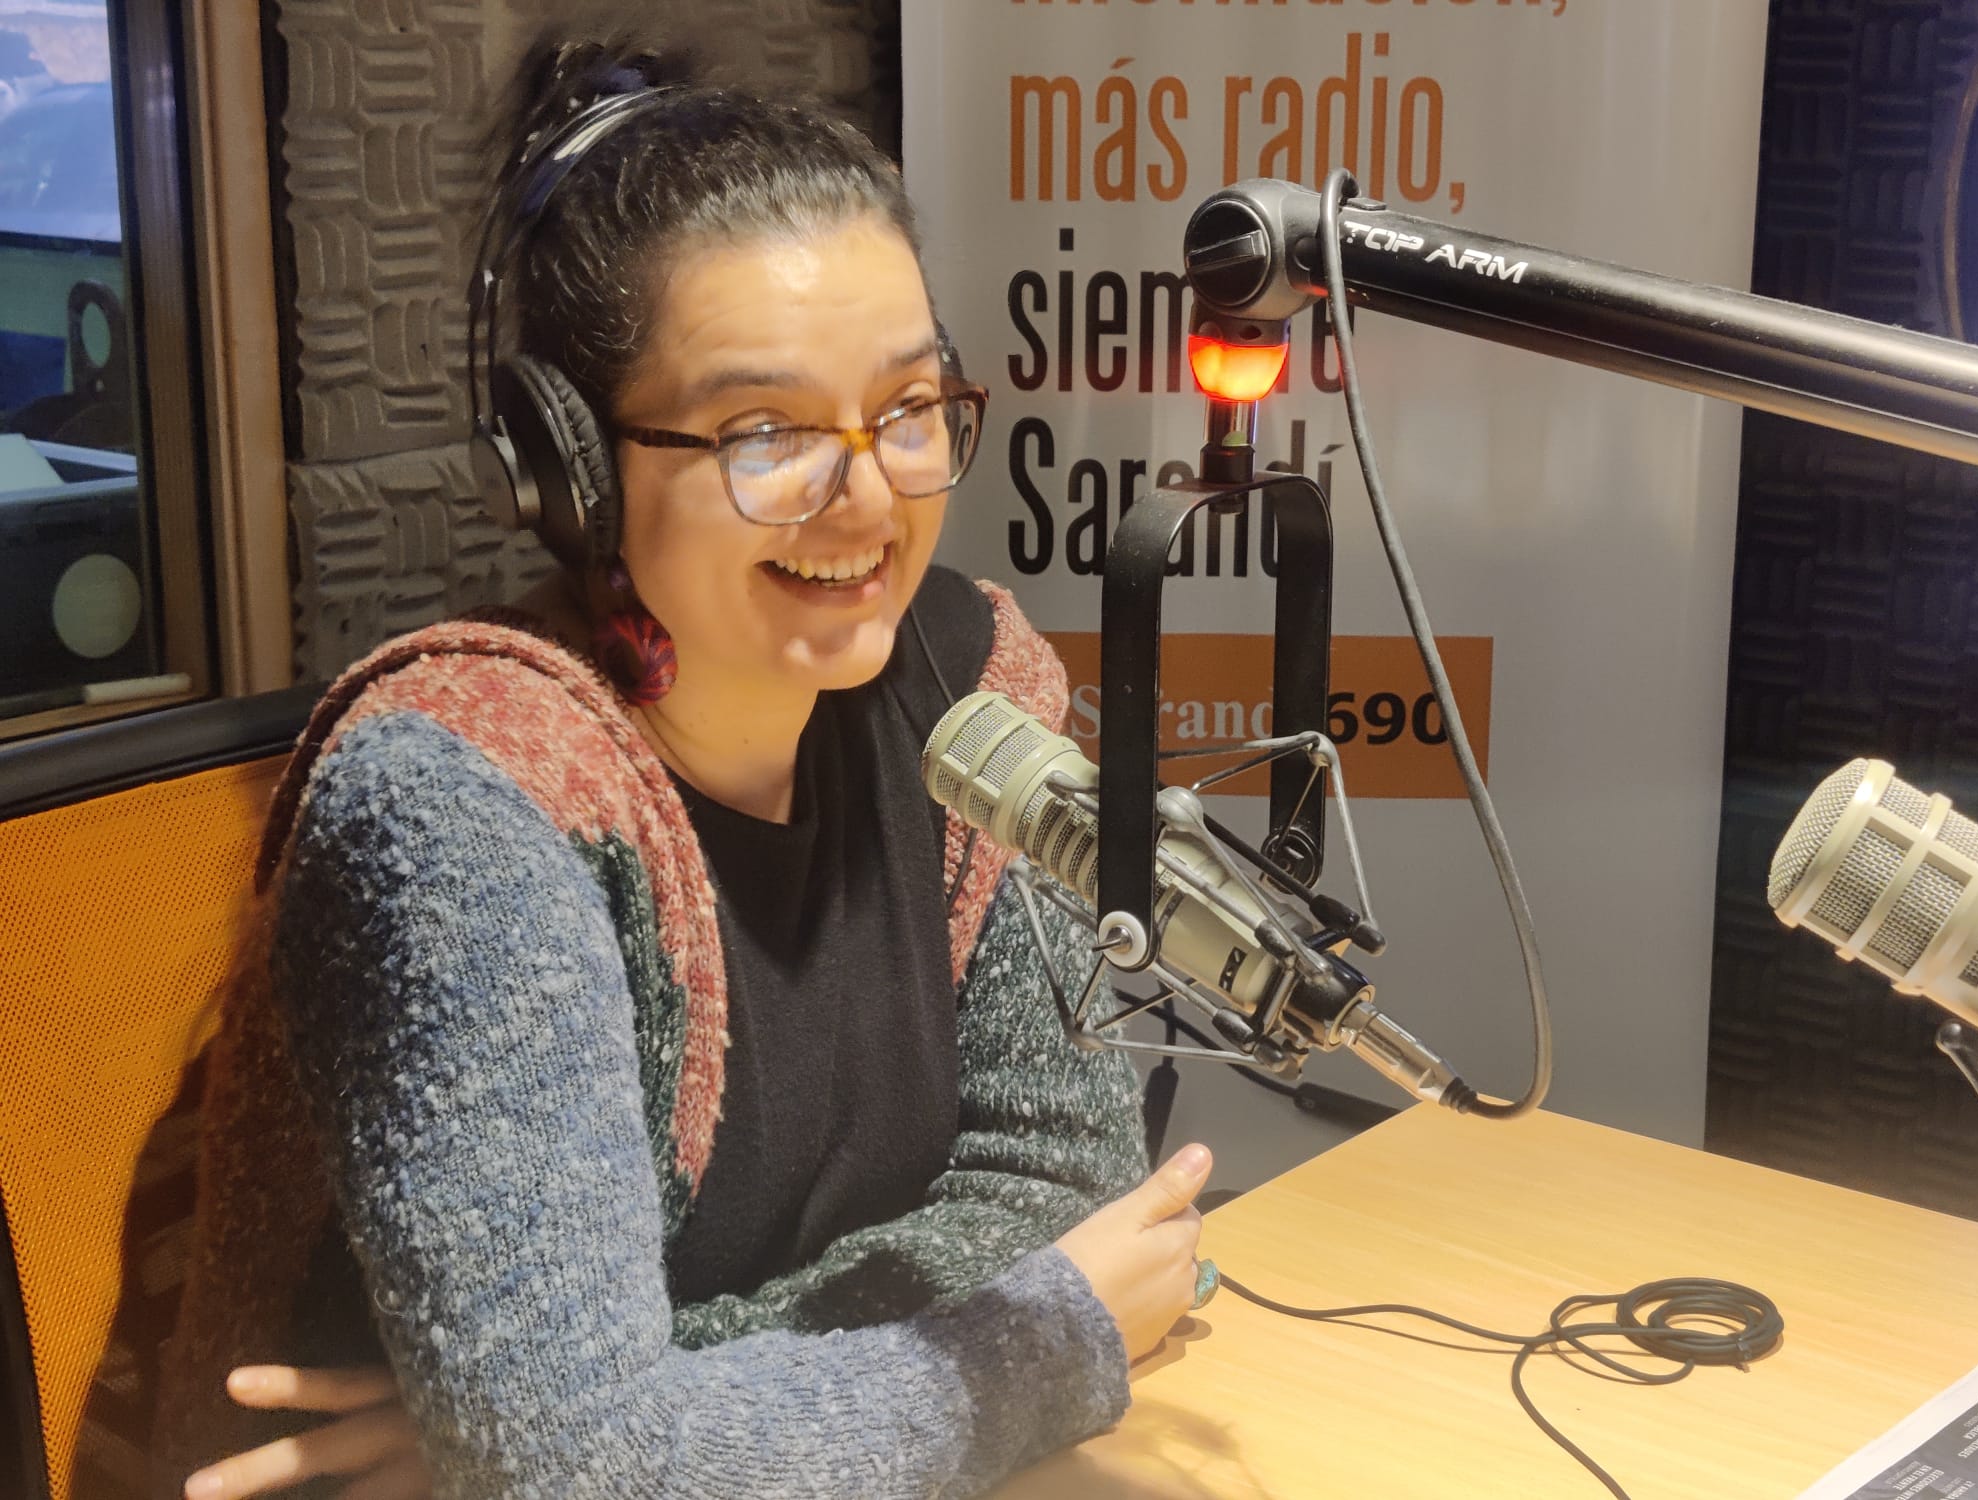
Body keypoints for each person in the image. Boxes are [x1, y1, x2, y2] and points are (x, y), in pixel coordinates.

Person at [151, 35, 1214, 1500]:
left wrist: (631, 1416)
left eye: (909, 410)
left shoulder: (974, 682)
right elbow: (585, 1472)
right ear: (571, 470)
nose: (868, 498)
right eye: (765, 432)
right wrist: (1037, 1337)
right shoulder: (463, 808)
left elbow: (1069, 1182)